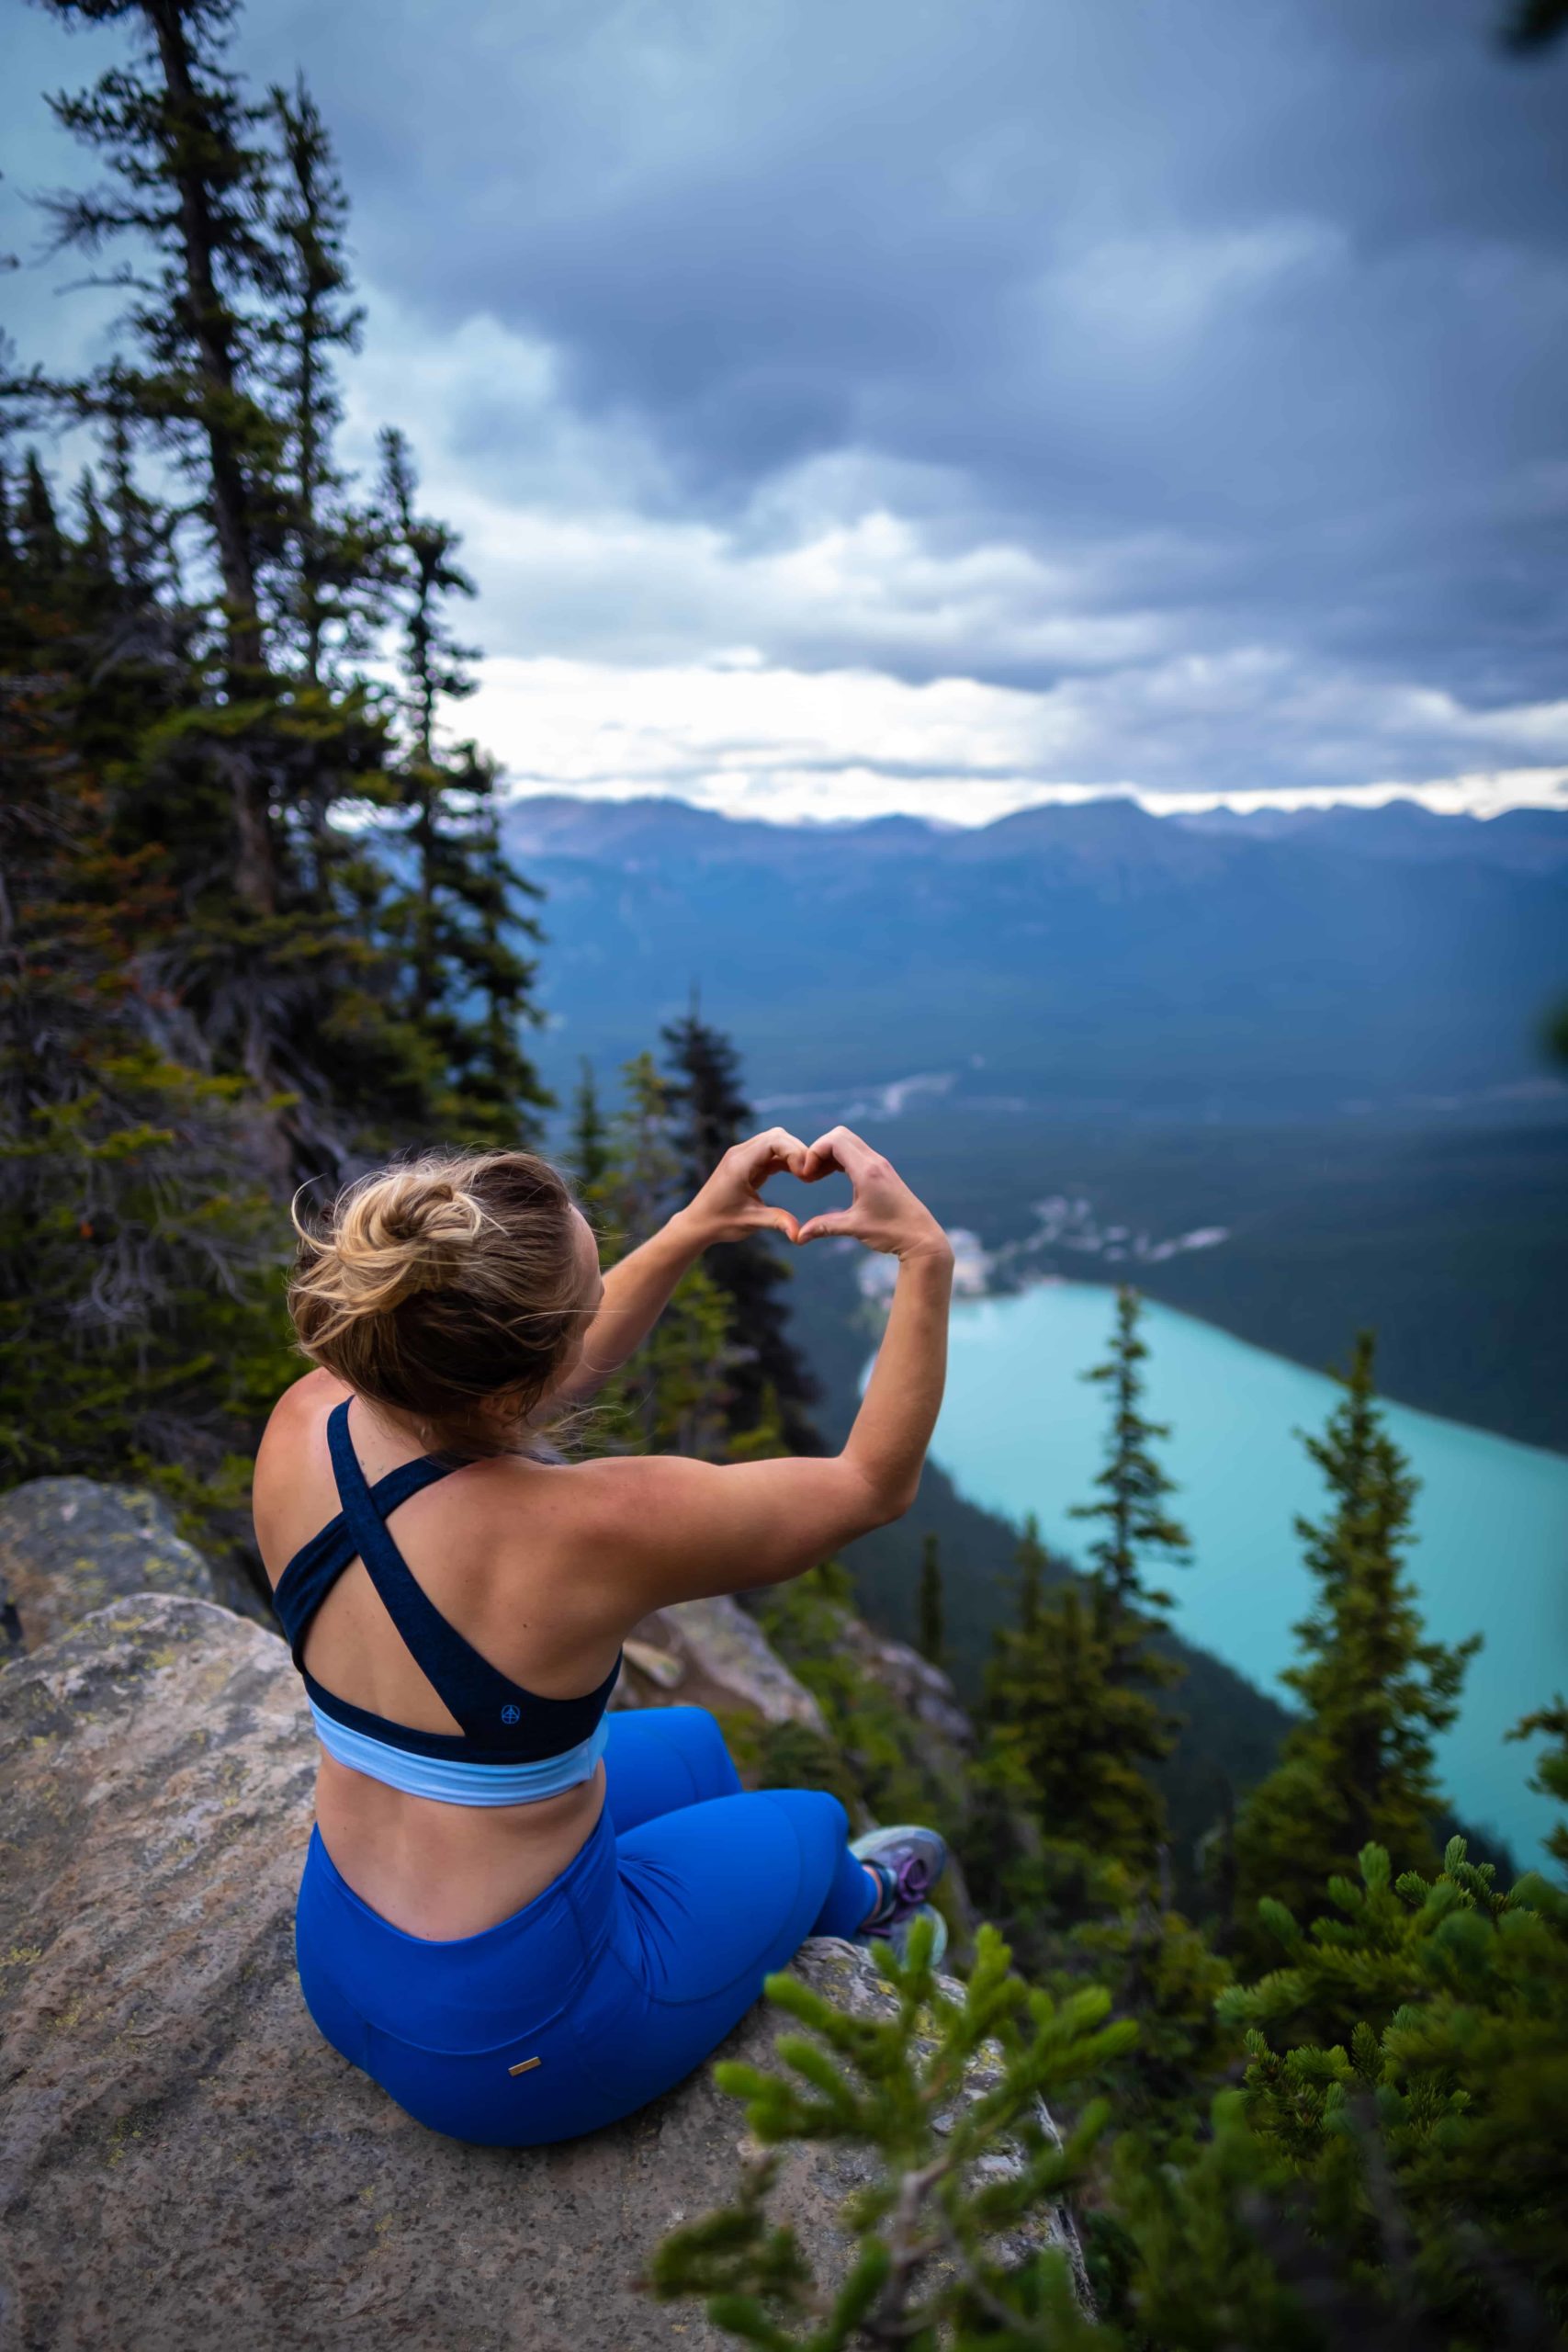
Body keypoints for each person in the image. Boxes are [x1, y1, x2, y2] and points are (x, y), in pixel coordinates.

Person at [253, 1123, 955, 2147]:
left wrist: (693, 1226)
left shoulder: (308, 1413)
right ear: (523, 1377)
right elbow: (866, 1485)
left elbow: (501, 1381)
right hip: (512, 2047)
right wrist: (923, 1259)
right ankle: (870, 1911)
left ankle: (722, 1889)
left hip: (342, 1947)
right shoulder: (586, 1529)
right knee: (809, 1824)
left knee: (695, 1749)